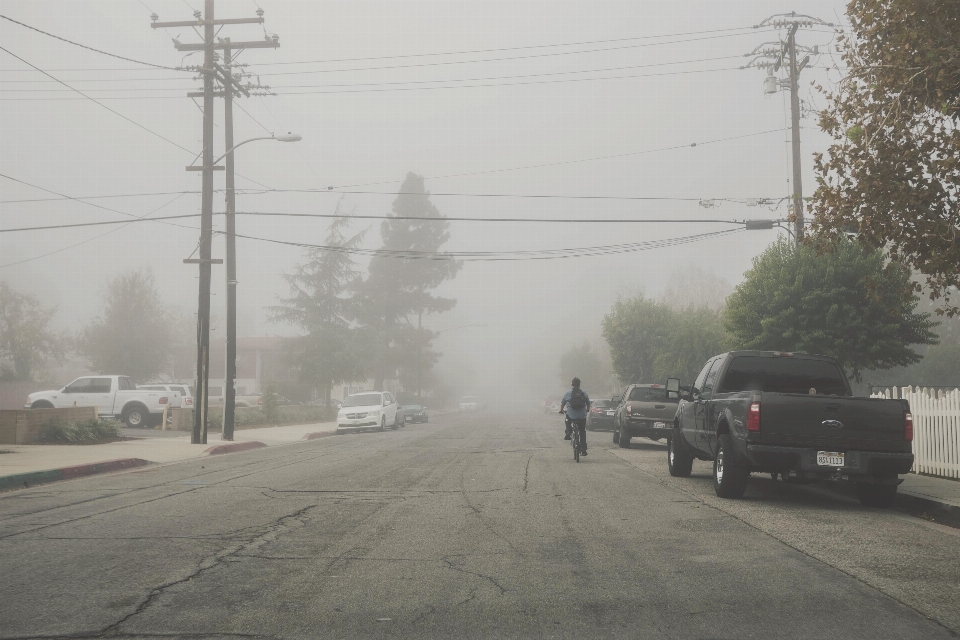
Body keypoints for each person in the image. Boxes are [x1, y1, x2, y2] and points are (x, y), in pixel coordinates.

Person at [559, 377, 590, 456]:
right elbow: (588, 402)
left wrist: (561, 410)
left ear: (572, 384)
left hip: (571, 415)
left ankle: (568, 432)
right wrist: (587, 409)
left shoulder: (568, 393)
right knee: (582, 432)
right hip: (582, 416)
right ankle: (583, 449)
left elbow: (563, 403)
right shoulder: (583, 392)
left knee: (567, 418)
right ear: (579, 384)